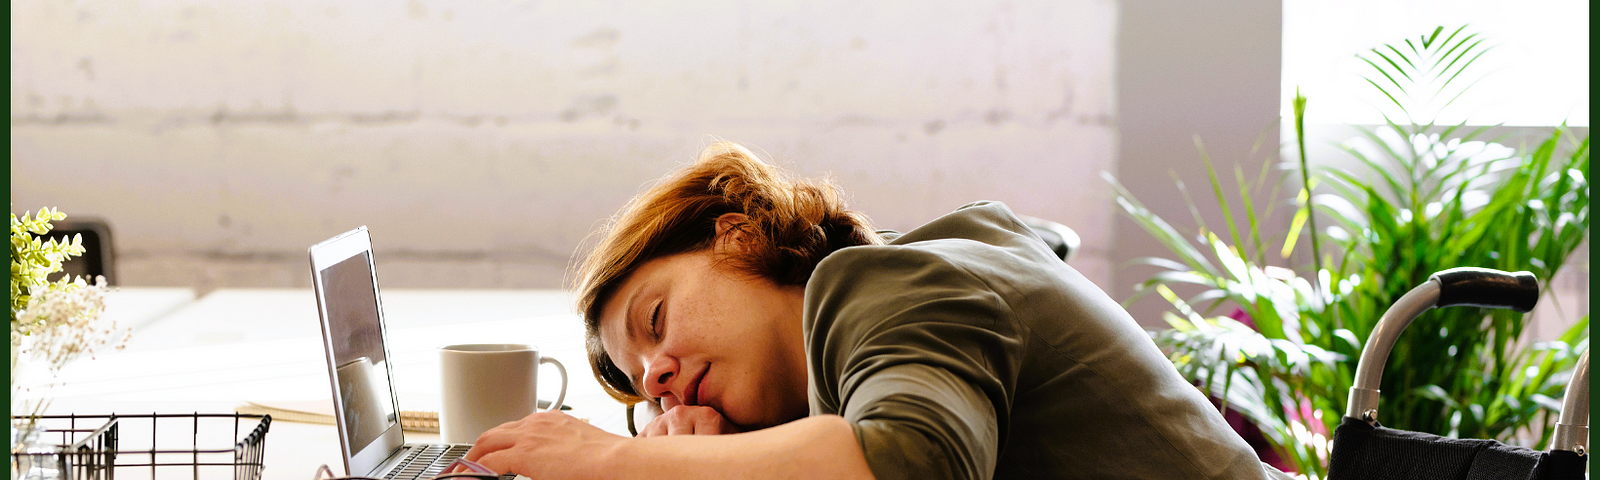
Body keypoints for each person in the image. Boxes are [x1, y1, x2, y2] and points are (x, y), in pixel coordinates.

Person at [463, 142, 1282, 479]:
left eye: (654, 322)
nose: (662, 377)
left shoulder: (881, 285)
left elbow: (915, 458)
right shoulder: (884, 306)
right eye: (647, 385)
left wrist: (617, 462)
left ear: (739, 235)